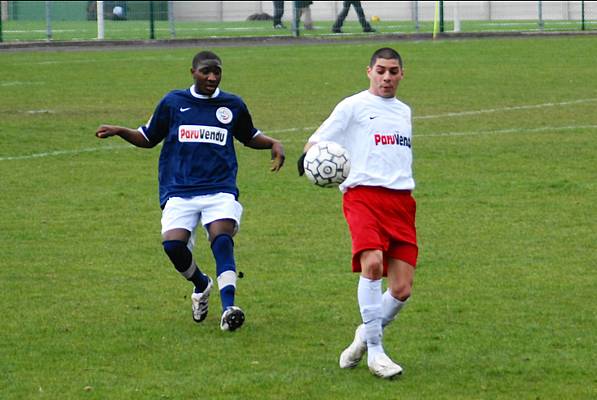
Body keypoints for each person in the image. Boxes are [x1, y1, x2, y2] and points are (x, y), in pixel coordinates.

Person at [96, 50, 285, 332]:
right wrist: (120, 130)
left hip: (219, 188)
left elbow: (249, 135)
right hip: (179, 189)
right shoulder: (173, 103)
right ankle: (201, 284)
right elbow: (148, 138)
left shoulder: (232, 104)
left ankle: (229, 307)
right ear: (193, 72)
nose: (211, 77)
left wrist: (273, 143)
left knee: (221, 238)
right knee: (173, 246)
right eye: (206, 71)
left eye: (217, 72)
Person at [298, 48, 416, 378]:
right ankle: (377, 353)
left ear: (402, 75)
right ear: (369, 72)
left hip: (402, 202)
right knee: (373, 264)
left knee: (402, 289)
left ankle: (364, 335)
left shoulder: (404, 112)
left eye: (393, 71)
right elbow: (317, 140)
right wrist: (307, 160)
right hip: (362, 196)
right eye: (381, 70)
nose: (387, 77)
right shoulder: (353, 106)